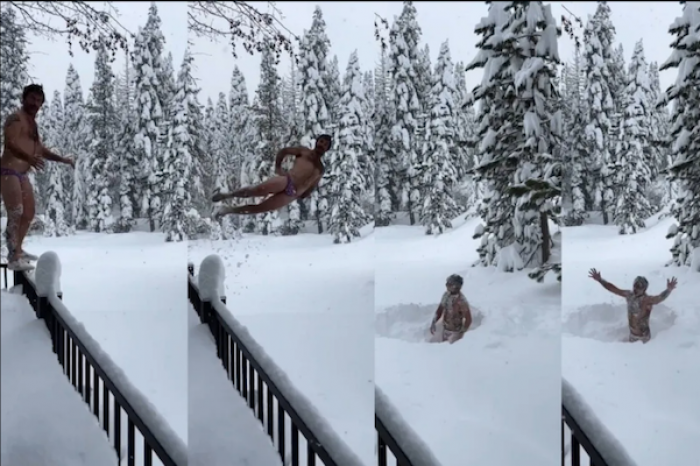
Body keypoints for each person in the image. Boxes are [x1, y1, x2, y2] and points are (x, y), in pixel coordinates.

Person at [1, 84, 74, 271]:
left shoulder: (32, 124)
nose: (36, 103)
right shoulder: (16, 118)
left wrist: (63, 159)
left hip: (22, 173)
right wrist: (28, 158)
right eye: (32, 98)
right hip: (7, 171)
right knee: (16, 211)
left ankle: (18, 248)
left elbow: (40, 150)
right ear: (24, 98)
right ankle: (13, 255)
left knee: (29, 213)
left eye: (39, 101)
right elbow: (9, 143)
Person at [212, 134, 332, 217]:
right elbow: (283, 152)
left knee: (260, 208)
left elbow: (312, 186)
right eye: (321, 141)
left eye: (325, 144)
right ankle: (229, 195)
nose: (322, 145)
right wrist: (278, 167)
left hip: (293, 193)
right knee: (258, 190)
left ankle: (229, 210)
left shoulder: (320, 169)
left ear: (327, 149)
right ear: (317, 141)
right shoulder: (303, 151)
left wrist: (304, 194)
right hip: (287, 180)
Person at [588, 268, 678, 343]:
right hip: (632, 336)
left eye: (639, 287)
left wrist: (668, 290)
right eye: (635, 285)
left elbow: (659, 298)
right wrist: (600, 280)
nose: (636, 288)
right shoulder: (629, 295)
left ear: (644, 289)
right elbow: (614, 289)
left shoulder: (647, 300)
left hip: (644, 338)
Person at [430, 274, 473, 344]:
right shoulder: (446, 295)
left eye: (449, 284)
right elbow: (440, 310)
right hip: (445, 329)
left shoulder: (461, 301)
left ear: (456, 286)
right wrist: (434, 323)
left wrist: (462, 333)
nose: (446, 285)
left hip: (455, 333)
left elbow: (468, 319)